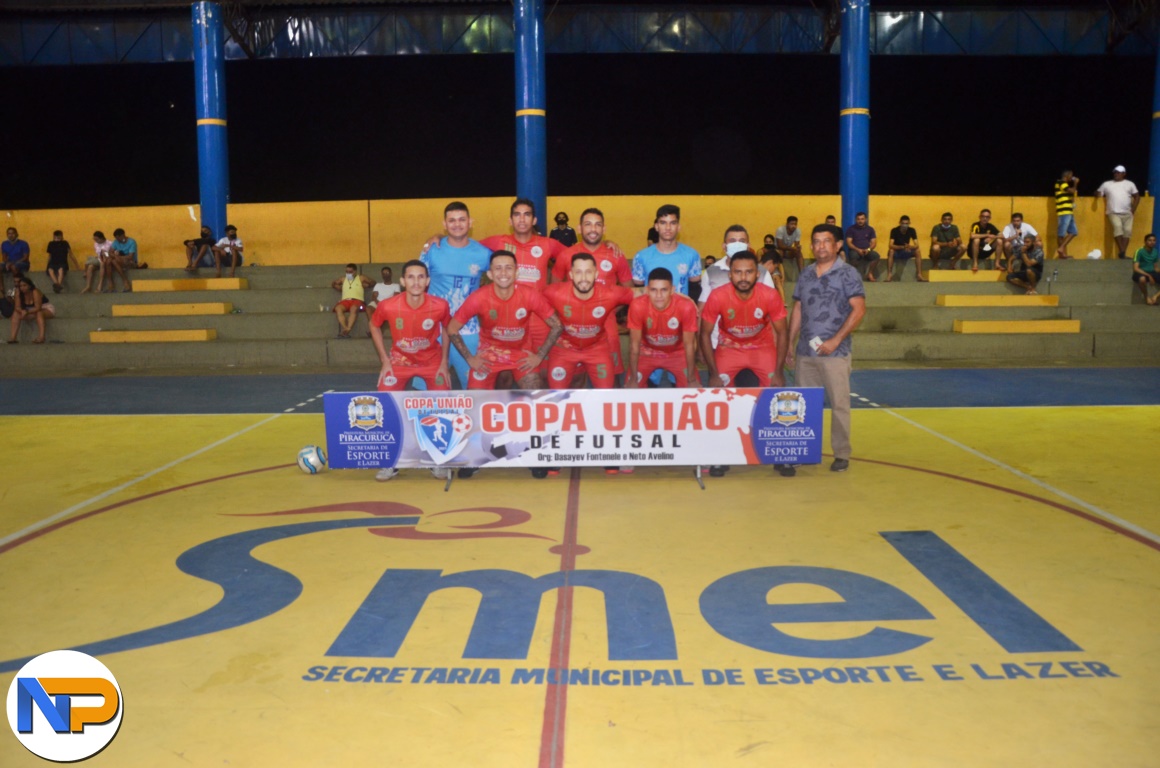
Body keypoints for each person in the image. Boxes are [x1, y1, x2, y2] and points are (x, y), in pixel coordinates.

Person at [699, 249, 790, 477]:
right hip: (729, 348)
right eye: (737, 272)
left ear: (757, 274)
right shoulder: (718, 296)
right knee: (719, 396)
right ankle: (721, 456)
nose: (743, 277)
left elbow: (783, 332)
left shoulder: (769, 295)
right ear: (730, 275)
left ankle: (781, 455)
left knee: (777, 391)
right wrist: (712, 373)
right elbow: (704, 333)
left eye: (749, 272)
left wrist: (779, 371)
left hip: (762, 348)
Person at [786, 224, 866, 473]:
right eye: (817, 241)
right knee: (803, 405)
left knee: (839, 404)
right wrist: (790, 343)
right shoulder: (806, 274)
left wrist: (836, 340)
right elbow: (798, 309)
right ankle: (804, 450)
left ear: (838, 245)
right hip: (805, 353)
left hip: (836, 354)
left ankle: (841, 453)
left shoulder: (848, 274)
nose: (821, 246)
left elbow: (859, 309)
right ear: (811, 245)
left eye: (826, 241)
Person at [368, 259, 453, 482]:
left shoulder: (440, 305)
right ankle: (391, 461)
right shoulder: (388, 305)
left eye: (421, 277)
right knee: (385, 403)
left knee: (442, 404)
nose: (416, 282)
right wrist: (385, 361)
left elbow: (447, 329)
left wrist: (444, 361)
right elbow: (374, 325)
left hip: (431, 361)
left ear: (428, 281)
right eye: (411, 277)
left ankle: (437, 460)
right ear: (403, 281)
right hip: (399, 362)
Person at [446, 250, 562, 391]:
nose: (503, 273)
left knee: (536, 394)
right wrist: (470, 358)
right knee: (475, 400)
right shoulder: (478, 298)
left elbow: (557, 325)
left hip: (520, 354)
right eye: (498, 268)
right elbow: (452, 328)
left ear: (516, 273)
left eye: (508, 268)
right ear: (490, 274)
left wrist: (539, 356)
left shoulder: (530, 295)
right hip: (489, 355)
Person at [554, 207, 635, 383]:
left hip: (607, 326)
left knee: (611, 380)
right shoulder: (566, 255)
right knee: (576, 380)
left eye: (598, 225)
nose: (593, 229)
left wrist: (609, 310)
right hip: (572, 328)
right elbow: (554, 289)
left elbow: (628, 291)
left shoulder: (615, 254)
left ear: (604, 229)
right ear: (579, 228)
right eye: (588, 224)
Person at [420, 201, 493, 389]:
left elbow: (501, 278)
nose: (457, 224)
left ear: (470, 222)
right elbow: (417, 284)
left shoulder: (484, 254)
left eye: (462, 219)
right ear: (444, 224)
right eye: (452, 220)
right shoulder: (431, 250)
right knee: (428, 391)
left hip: (468, 329)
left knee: (475, 389)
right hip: (434, 329)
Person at [543, 251, 635, 391]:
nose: (584, 278)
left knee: (606, 394)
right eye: (578, 272)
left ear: (596, 275)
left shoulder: (610, 293)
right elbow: (527, 299)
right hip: (564, 348)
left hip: (597, 348)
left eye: (588, 272)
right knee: (556, 395)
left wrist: (676, 295)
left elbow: (646, 293)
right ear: (571, 275)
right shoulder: (554, 292)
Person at [626, 267, 699, 389]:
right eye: (654, 290)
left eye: (664, 290)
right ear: (647, 290)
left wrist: (691, 379)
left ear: (672, 290)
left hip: (678, 353)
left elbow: (689, 344)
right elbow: (634, 345)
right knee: (631, 390)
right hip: (647, 352)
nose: (658, 296)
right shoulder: (637, 305)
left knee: (693, 390)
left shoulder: (686, 307)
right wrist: (633, 379)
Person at [633, 204, 701, 296]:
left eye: (673, 223)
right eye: (663, 223)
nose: (668, 228)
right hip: (650, 310)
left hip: (681, 310)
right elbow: (638, 291)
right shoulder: (641, 256)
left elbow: (695, 290)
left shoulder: (691, 255)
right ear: (656, 227)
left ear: (678, 227)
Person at [1095, 165, 1140, 260]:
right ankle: (1122, 252)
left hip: (1127, 212)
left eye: (1118, 172)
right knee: (1118, 228)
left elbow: (1137, 196)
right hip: (1113, 212)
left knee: (1127, 232)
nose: (1116, 174)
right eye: (1115, 172)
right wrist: (1096, 193)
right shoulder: (1107, 184)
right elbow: (1099, 192)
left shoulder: (1130, 184)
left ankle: (1122, 253)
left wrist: (1133, 209)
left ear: (1124, 174)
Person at [331, 263, 375, 338]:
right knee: (338, 308)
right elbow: (333, 284)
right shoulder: (343, 279)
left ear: (355, 271)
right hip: (345, 301)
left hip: (357, 300)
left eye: (350, 272)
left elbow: (373, 282)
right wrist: (337, 286)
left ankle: (348, 328)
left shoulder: (361, 278)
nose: (348, 273)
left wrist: (367, 285)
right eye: (347, 272)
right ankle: (345, 328)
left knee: (354, 308)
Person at [8, 274, 55, 344]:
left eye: (24, 285)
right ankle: (13, 337)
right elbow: (17, 307)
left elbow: (38, 307)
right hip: (29, 310)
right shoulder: (18, 292)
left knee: (39, 313)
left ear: (29, 286)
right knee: (15, 313)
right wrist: (22, 311)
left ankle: (41, 337)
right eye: (21, 286)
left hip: (44, 308)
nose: (22, 288)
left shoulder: (35, 291)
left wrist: (27, 311)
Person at [844, 211, 882, 282]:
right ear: (856, 220)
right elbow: (849, 243)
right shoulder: (851, 229)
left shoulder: (870, 229)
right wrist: (858, 250)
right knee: (853, 256)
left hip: (867, 250)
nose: (860, 221)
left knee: (876, 256)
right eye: (858, 219)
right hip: (855, 250)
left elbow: (874, 243)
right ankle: (853, 276)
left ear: (866, 219)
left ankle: (870, 274)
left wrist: (868, 249)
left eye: (862, 219)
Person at [886, 215, 926, 282]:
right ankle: (889, 275)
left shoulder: (912, 230)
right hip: (897, 252)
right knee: (891, 251)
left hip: (906, 250)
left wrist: (910, 246)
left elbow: (916, 245)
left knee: (917, 251)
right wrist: (902, 247)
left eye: (906, 223)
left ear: (909, 223)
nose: (905, 225)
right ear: (900, 223)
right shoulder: (894, 230)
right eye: (903, 223)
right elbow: (890, 245)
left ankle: (919, 275)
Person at [1054, 170, 1080, 259]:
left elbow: (1072, 198)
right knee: (1061, 234)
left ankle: (1061, 249)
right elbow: (1072, 191)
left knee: (1073, 232)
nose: (1072, 178)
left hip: (1069, 211)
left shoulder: (1065, 185)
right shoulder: (1061, 182)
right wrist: (1075, 183)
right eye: (1071, 176)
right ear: (1067, 176)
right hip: (1063, 212)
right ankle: (1062, 254)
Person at [1131, 233, 1158, 305]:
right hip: (1140, 272)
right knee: (1142, 279)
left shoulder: (1155, 252)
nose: (1152, 242)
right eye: (1150, 240)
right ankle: (1146, 297)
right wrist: (1149, 276)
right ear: (1145, 241)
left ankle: (1155, 297)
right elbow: (1135, 268)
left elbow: (1155, 268)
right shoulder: (1139, 251)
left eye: (1154, 240)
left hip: (1152, 272)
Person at [108, 228, 138, 292]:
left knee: (114, 261)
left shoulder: (131, 242)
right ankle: (112, 282)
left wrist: (119, 257)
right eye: (116, 238)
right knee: (110, 261)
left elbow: (130, 256)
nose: (117, 240)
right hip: (118, 260)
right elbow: (110, 252)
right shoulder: (116, 242)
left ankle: (125, 281)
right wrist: (116, 257)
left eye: (119, 238)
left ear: (123, 235)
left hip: (130, 261)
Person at [2, 227, 31, 293]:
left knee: (14, 266)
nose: (11, 235)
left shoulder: (23, 243)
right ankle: (1, 288)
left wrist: (12, 263)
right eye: (9, 233)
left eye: (13, 233)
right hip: (9, 262)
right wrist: (7, 263)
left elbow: (25, 257)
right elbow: (4, 257)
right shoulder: (4, 244)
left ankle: (18, 287)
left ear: (16, 234)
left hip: (22, 262)